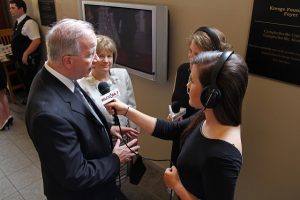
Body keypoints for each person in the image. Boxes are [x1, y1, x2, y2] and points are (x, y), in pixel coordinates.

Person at [106, 51, 249, 200]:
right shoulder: (208, 115)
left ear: (211, 94)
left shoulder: (224, 156)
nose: (187, 84)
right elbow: (169, 130)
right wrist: (127, 110)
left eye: (192, 81)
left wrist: (176, 185)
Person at [25, 18, 140, 200]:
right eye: (90, 54)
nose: (96, 60)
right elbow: (75, 175)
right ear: (68, 61)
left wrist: (106, 129)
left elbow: (77, 117)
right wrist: (116, 159)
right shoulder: (47, 115)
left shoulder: (60, 74)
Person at [78, 34, 137, 185]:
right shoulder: (81, 84)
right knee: (106, 177)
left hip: (124, 136)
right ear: (93, 58)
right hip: (100, 141)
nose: (106, 60)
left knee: (122, 176)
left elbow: (131, 105)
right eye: (101, 56)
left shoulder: (122, 75)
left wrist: (133, 135)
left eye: (109, 56)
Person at [170, 26, 233, 166]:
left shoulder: (219, 86)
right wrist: (172, 115)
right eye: (190, 51)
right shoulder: (182, 70)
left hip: (200, 143)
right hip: (179, 134)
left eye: (197, 54)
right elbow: (175, 102)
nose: (190, 57)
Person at [9, 0, 41, 98]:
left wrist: (25, 54)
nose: (10, 10)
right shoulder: (18, 21)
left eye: (13, 8)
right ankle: (30, 99)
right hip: (20, 59)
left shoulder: (29, 23)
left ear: (21, 9)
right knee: (25, 81)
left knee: (31, 82)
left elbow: (36, 40)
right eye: (10, 8)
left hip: (29, 59)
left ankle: (35, 103)